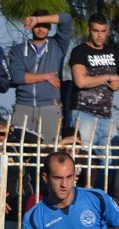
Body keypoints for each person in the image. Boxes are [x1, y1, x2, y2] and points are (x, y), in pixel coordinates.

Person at [9, 9, 73, 144]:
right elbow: (17, 77)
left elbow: (66, 19)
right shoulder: (18, 50)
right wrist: (46, 77)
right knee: (21, 152)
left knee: (48, 151)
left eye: (45, 25)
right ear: (32, 27)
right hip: (23, 106)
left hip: (50, 107)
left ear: (49, 27)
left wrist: (38, 19)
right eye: (37, 26)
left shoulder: (57, 46)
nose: (40, 29)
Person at [68, 13, 119, 152]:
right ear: (88, 30)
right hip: (84, 114)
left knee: (109, 161)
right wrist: (108, 76)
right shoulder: (79, 51)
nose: (100, 35)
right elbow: (81, 81)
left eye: (103, 31)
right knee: (82, 157)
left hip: (107, 116)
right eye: (96, 31)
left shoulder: (113, 52)